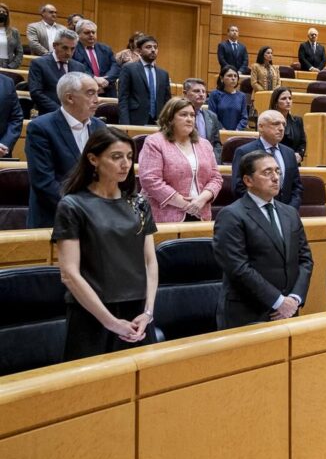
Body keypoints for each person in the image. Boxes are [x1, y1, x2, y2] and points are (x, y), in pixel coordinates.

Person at [53, 128, 157, 359]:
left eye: (129, 157)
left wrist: (148, 312)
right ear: (93, 159)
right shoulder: (73, 205)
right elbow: (69, 273)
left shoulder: (139, 203)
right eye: (116, 157)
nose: (125, 164)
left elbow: (150, 262)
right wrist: (110, 322)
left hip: (137, 314)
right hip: (92, 314)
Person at [212, 150, 313, 329]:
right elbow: (238, 268)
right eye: (267, 173)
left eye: (277, 172)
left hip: (289, 311)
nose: (275, 178)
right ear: (248, 181)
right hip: (247, 314)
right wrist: (278, 301)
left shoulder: (289, 213)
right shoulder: (231, 215)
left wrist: (294, 298)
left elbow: (305, 259)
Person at [26, 73, 106, 228]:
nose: (98, 99)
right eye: (90, 93)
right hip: (55, 218)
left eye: (98, 93)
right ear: (70, 98)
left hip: (95, 220)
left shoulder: (100, 127)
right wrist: (84, 209)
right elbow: (44, 183)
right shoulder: (41, 128)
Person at [138, 97, 223, 223]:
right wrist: (185, 204)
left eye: (192, 115)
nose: (189, 119)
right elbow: (150, 180)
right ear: (170, 118)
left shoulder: (204, 144)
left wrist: (202, 199)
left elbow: (216, 178)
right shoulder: (155, 142)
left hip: (201, 212)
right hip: (164, 215)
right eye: (183, 115)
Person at [231, 110, 303, 208]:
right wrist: (263, 209)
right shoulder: (245, 151)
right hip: (257, 214)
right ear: (261, 127)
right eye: (276, 124)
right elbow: (239, 187)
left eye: (283, 124)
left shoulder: (289, 152)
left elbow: (297, 187)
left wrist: (290, 210)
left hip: (287, 215)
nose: (281, 128)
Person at [28, 28, 85, 115]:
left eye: (72, 49)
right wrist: (61, 112)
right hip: (48, 114)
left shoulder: (79, 67)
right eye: (65, 48)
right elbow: (36, 93)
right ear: (54, 45)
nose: (69, 53)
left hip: (74, 115)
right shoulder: (39, 64)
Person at [117, 35, 170, 126]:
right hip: (135, 120)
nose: (153, 50)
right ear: (139, 51)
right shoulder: (129, 69)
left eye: (155, 47)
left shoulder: (163, 74)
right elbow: (123, 99)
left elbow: (167, 101)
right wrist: (125, 124)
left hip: (158, 121)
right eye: (148, 47)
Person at [72, 20, 118, 97]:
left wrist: (105, 80)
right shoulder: (73, 50)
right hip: (85, 92)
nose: (91, 35)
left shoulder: (105, 48)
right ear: (78, 34)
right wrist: (94, 78)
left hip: (107, 91)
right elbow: (75, 68)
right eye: (87, 33)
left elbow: (115, 67)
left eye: (93, 32)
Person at [183, 77, 223, 161]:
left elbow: (216, 143)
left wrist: (214, 159)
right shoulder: (177, 114)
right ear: (185, 93)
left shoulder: (212, 116)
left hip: (208, 160)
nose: (201, 94)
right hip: (185, 158)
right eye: (196, 91)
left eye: (204, 92)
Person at [207, 65, 249, 131]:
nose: (233, 78)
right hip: (218, 133)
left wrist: (237, 130)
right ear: (221, 78)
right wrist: (222, 129)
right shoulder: (215, 94)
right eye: (229, 76)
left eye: (235, 76)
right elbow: (212, 116)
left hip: (237, 133)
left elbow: (244, 117)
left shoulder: (242, 96)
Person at [0, 2, 22, 69]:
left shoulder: (14, 32)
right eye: (0, 11)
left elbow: (19, 52)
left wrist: (12, 66)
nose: (1, 13)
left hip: (8, 65)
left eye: (4, 12)